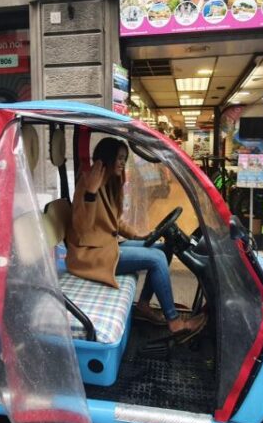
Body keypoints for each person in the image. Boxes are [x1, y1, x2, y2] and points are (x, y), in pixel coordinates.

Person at [66, 138, 207, 339]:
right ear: (106, 158)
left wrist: (137, 235)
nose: (123, 163)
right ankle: (174, 322)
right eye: (120, 158)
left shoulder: (110, 183)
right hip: (89, 255)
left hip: (105, 245)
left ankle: (143, 305)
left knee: (165, 248)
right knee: (156, 259)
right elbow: (81, 228)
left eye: (125, 159)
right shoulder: (88, 184)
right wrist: (90, 193)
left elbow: (115, 222)